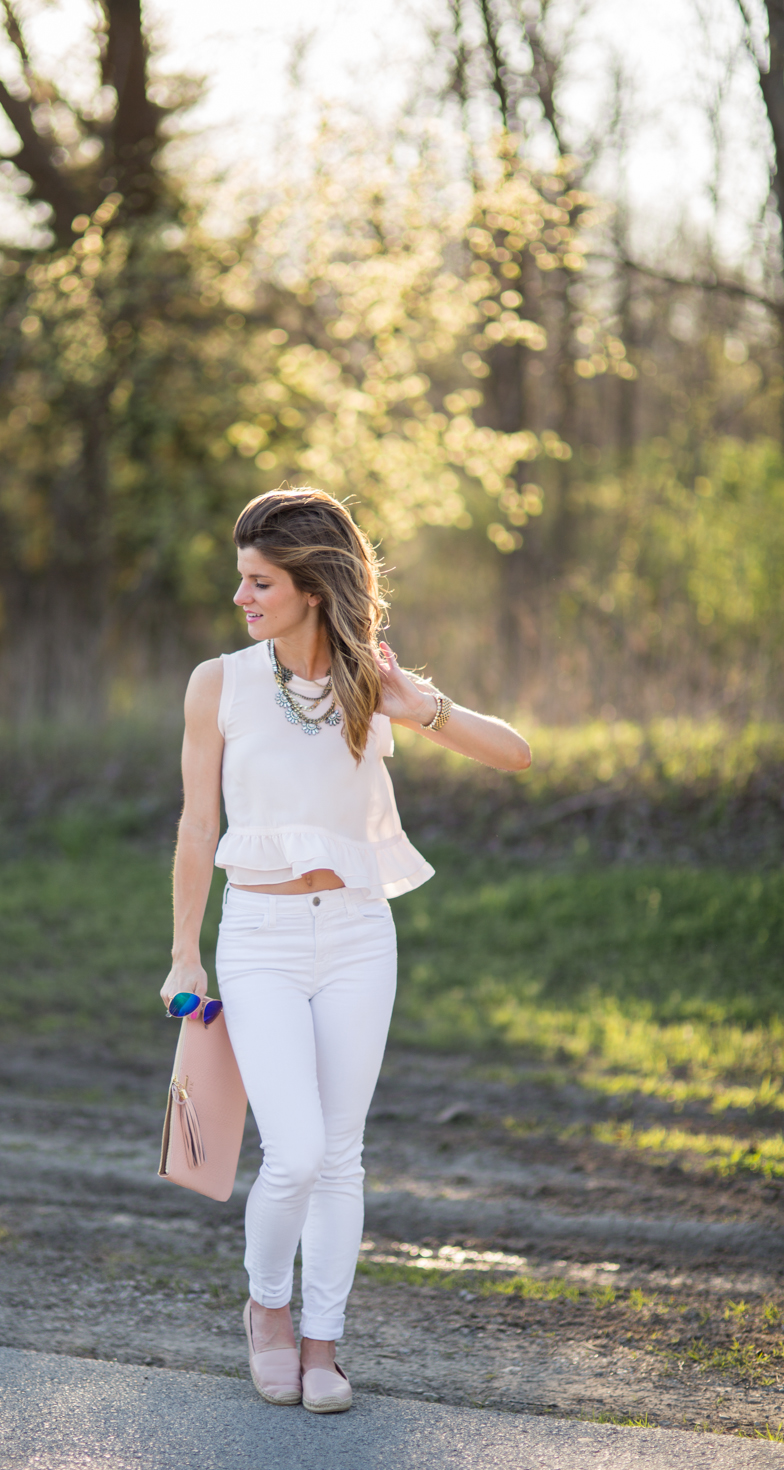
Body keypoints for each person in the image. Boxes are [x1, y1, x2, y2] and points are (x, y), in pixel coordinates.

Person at [161, 488, 531, 1414]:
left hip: (361, 936)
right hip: (261, 938)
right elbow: (197, 823)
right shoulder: (221, 682)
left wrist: (425, 705)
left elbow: (516, 753)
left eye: (260, 583)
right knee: (292, 1153)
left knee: (341, 1155)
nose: (242, 598)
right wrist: (184, 953)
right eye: (241, 580)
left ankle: (324, 1347)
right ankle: (268, 1311)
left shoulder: (375, 681)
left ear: (312, 589)